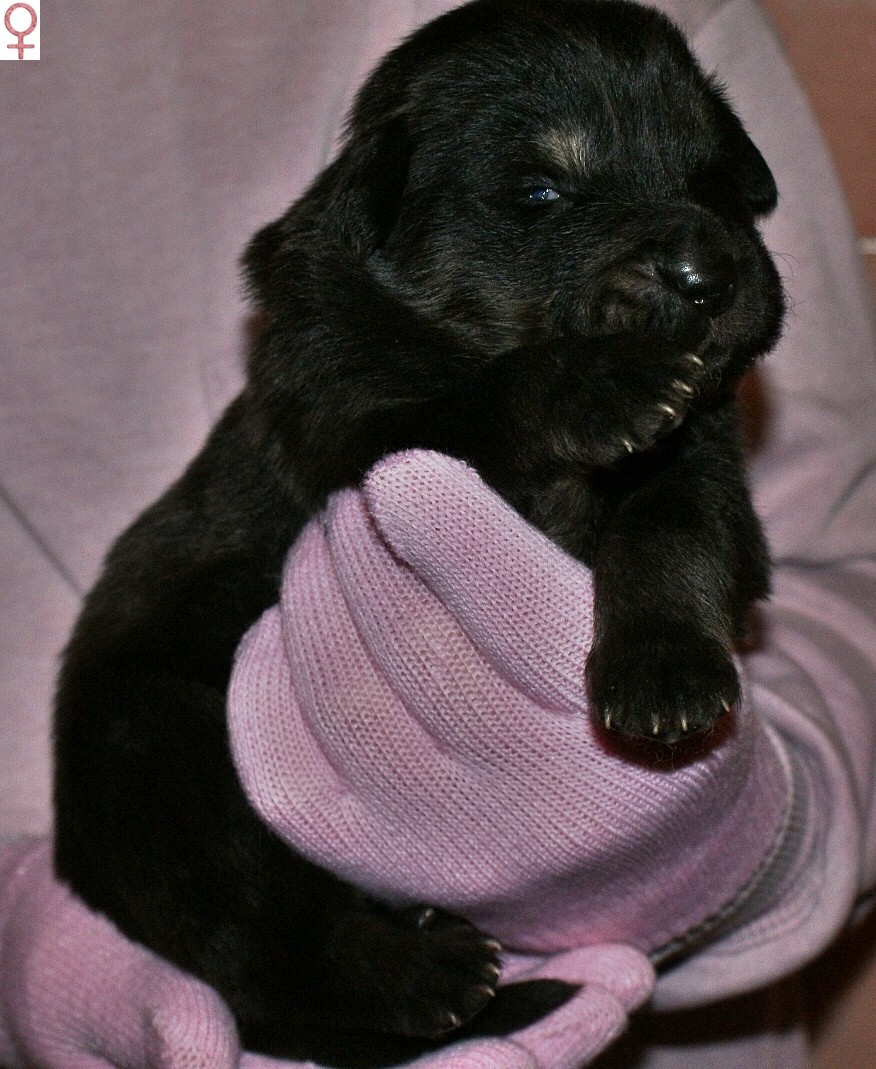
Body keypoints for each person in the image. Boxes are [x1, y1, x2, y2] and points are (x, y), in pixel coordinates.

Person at [1, 1, 874, 1066]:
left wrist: (723, 820)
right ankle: (325, 977)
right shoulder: (336, 347)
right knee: (133, 738)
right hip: (180, 720)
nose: (693, 251)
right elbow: (381, 457)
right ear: (377, 227)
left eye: (703, 186)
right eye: (543, 196)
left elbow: (792, 550)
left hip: (644, 1017)